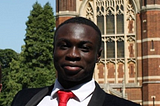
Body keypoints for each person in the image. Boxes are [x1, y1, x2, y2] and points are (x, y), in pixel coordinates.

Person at [11, 17, 140, 106]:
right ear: (53, 50)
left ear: (98, 55)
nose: (73, 55)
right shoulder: (23, 99)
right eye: (64, 46)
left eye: (84, 48)